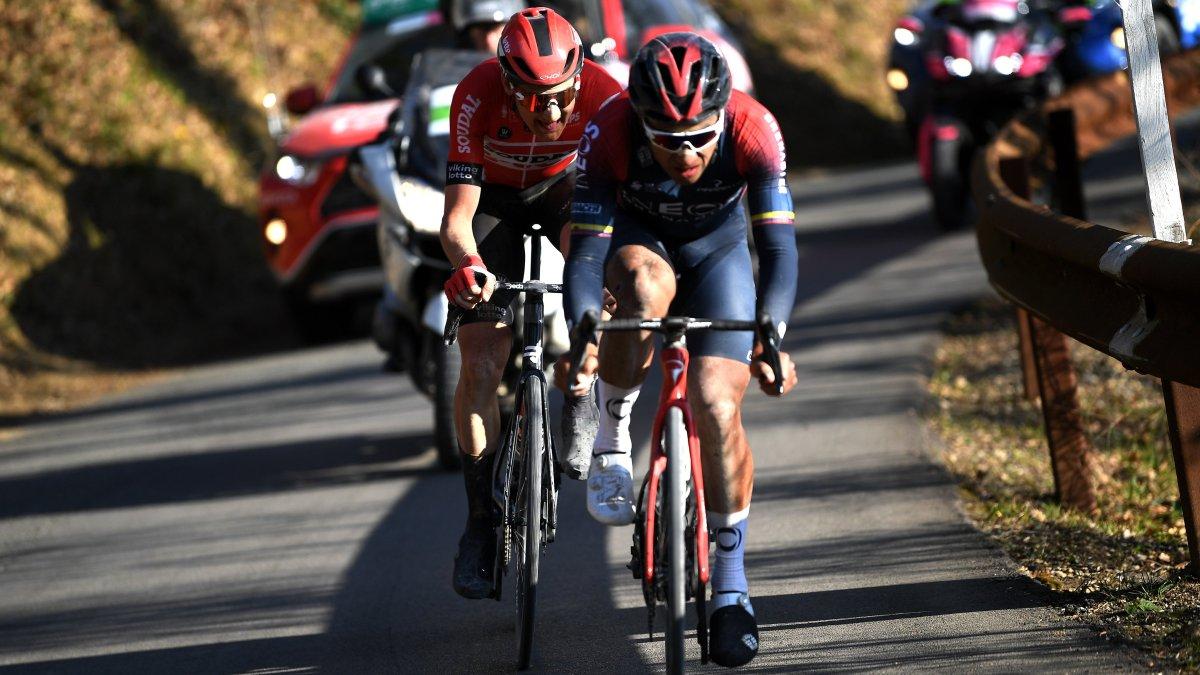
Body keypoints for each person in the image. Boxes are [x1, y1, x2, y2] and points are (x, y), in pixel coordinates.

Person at [555, 33, 799, 667]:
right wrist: (583, 316)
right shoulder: (608, 133)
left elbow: (775, 249)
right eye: (666, 139)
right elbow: (585, 254)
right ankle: (612, 438)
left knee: (718, 406)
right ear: (641, 121)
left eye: (700, 136)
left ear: (723, 118)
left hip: (719, 253)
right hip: (639, 242)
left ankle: (732, 588)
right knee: (641, 288)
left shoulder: (754, 127)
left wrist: (772, 330)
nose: (685, 153)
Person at [440, 6, 622, 601]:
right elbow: (457, 219)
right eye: (535, 96)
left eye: (562, 95)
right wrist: (469, 269)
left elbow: (620, 204)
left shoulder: (602, 92)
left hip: (566, 189)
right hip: (494, 200)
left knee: (595, 277)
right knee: (483, 362)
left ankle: (581, 387)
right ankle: (480, 524)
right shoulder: (474, 96)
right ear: (506, 82)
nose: (551, 111)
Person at [442, 0, 525, 54]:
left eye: (495, 28)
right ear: (469, 33)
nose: (488, 40)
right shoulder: (450, 67)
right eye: (481, 30)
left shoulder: (522, 71)